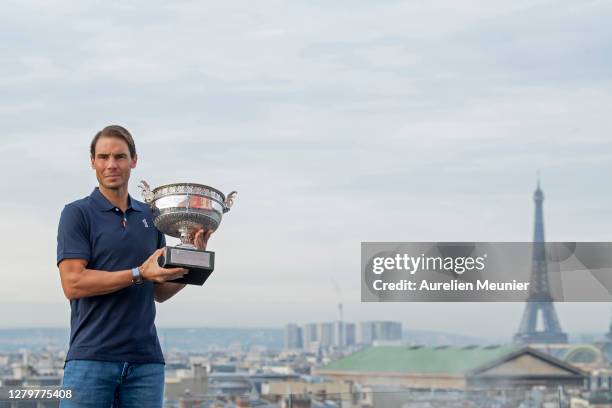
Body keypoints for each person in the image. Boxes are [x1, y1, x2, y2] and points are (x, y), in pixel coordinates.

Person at [56, 125, 212, 407]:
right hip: (91, 359)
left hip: (146, 363)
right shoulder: (77, 213)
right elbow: (73, 283)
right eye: (103, 157)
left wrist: (192, 259)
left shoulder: (152, 217)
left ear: (134, 160)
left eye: (119, 156)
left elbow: (160, 290)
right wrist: (139, 274)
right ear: (92, 162)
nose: (111, 164)